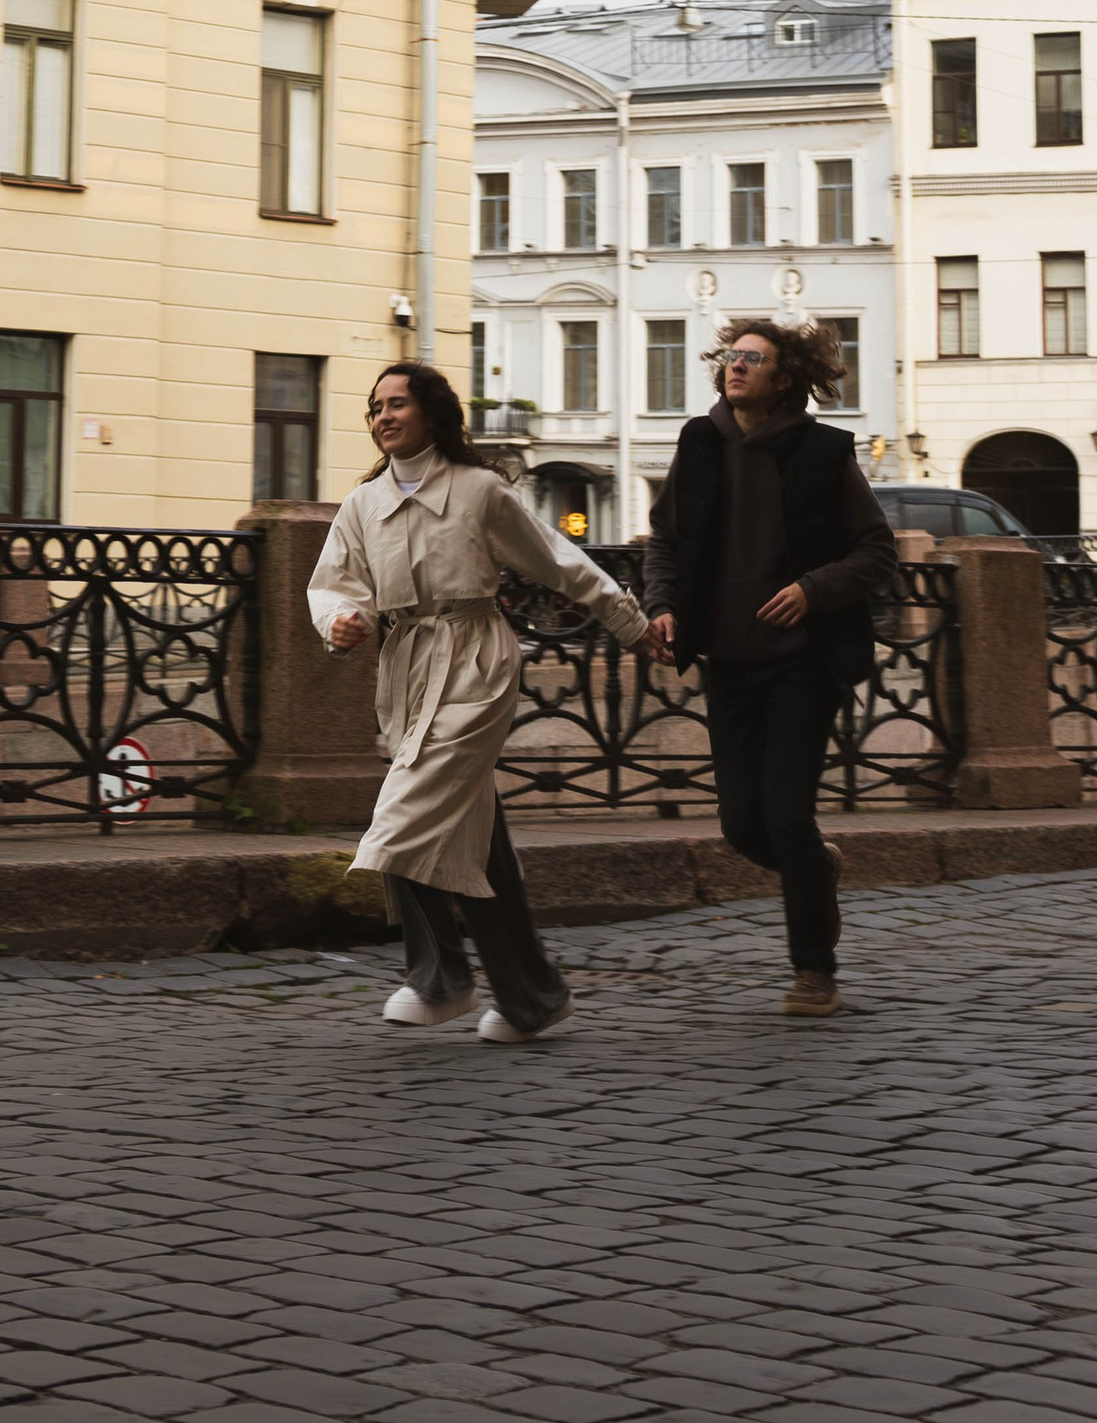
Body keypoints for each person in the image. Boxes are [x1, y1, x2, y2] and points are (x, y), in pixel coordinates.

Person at [310, 361, 654, 1042]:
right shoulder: (362, 503)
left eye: (397, 403)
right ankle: (532, 996)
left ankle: (442, 980)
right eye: (375, 405)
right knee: (472, 836)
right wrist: (340, 620)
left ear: (432, 413)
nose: (383, 415)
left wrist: (630, 622)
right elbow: (333, 582)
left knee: (401, 819)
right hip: (406, 666)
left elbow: (559, 558)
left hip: (474, 660)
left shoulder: (478, 490)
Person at [643, 315, 897, 1018]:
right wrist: (661, 604)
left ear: (785, 377)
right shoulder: (700, 442)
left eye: (752, 358)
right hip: (728, 661)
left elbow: (877, 550)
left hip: (801, 664)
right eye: (731, 355)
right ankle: (817, 868)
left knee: (786, 813)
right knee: (740, 825)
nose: (736, 365)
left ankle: (815, 971)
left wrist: (813, 589)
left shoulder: (821, 453)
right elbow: (665, 538)